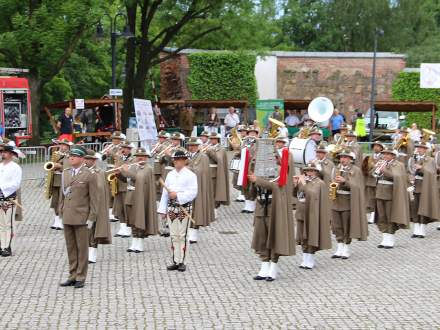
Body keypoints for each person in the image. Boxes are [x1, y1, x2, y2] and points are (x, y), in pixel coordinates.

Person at [248, 145, 295, 281]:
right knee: (261, 237)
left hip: (274, 207)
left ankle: (273, 266)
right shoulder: (258, 171)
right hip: (261, 206)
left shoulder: (280, 170)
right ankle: (264, 265)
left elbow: (277, 186)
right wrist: (250, 182)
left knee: (274, 237)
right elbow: (252, 193)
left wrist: (258, 180)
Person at [59, 146, 98, 289]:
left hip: (82, 216)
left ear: (82, 159)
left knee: (82, 248)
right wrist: (60, 211)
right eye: (70, 156)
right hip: (67, 215)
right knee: (71, 247)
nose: (71, 158)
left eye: (74, 156)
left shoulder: (89, 174)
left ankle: (81, 276)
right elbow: (62, 196)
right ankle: (72, 275)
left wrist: (92, 217)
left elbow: (94, 198)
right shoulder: (66, 173)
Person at [158, 149, 198, 272]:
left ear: (184, 160)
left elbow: (193, 192)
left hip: (183, 208)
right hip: (171, 208)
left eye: (179, 160)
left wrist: (178, 195)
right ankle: (176, 260)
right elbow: (165, 193)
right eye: (175, 160)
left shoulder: (191, 175)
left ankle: (183, 261)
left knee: (182, 235)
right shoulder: (170, 174)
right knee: (174, 235)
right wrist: (162, 210)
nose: (176, 162)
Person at [330, 149, 367, 259]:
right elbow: (331, 181)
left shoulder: (355, 170)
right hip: (336, 200)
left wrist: (344, 181)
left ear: (350, 159)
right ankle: (339, 246)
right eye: (341, 157)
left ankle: (346, 247)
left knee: (346, 225)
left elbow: (357, 186)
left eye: (345, 157)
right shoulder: (336, 168)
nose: (343, 159)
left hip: (347, 201)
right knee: (337, 226)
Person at [294, 162, 331, 269]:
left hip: (313, 213)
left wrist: (304, 184)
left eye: (311, 170)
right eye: (307, 170)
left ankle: (310, 259)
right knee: (302, 236)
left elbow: (313, 194)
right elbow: (295, 195)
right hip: (301, 211)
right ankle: (305, 258)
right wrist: (295, 185)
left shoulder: (319, 183)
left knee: (310, 235)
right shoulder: (303, 181)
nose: (309, 172)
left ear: (316, 172)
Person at [121, 148, 158, 253]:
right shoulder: (134, 167)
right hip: (130, 196)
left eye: (142, 156)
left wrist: (126, 172)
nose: (139, 157)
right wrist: (119, 173)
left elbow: (139, 178)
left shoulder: (148, 168)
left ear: (146, 158)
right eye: (137, 156)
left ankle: (140, 243)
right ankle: (134, 241)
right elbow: (127, 179)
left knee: (139, 219)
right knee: (132, 220)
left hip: (141, 198)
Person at [373, 146, 410, 248]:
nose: (385, 156)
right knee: (382, 216)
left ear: (393, 156)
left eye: (387, 154)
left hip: (390, 193)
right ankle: (384, 238)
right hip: (380, 192)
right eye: (384, 154)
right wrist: (377, 168)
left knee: (390, 217)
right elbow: (373, 175)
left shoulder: (398, 164)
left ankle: (390, 239)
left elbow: (396, 176)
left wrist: (385, 170)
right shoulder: (381, 163)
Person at [83, 150, 111, 264]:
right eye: (85, 159)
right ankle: (84, 253)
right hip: (83, 205)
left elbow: (100, 188)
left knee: (93, 230)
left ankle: (92, 254)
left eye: (88, 159)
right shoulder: (82, 171)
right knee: (83, 231)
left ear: (94, 161)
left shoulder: (99, 172)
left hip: (95, 205)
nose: (85, 161)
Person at [186, 137, 215, 243]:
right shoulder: (187, 155)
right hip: (186, 187)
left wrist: (188, 169)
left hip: (198, 187)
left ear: (198, 147)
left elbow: (201, 171)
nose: (191, 147)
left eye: (193, 146)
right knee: (187, 209)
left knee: (196, 210)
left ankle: (194, 233)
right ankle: (187, 231)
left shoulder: (203, 157)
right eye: (190, 145)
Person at [408, 141, 440, 238]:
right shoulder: (414, 158)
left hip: (424, 186)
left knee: (423, 208)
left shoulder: (430, 160)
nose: (419, 149)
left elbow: (431, 172)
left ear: (425, 150)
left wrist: (421, 168)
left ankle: (422, 229)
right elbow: (409, 170)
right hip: (415, 185)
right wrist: (411, 177)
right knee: (415, 207)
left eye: (421, 148)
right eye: (418, 148)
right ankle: (416, 229)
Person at [0, 145, 22, 257]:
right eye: (2, 152)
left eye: (5, 152)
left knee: (8, 223)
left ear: (11, 154)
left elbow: (16, 184)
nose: (3, 154)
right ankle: (1, 245)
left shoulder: (15, 167)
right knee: (0, 224)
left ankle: (7, 246)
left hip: (8, 198)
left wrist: (2, 189)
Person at [48, 139, 72, 230]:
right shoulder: (56, 154)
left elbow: (70, 167)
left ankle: (62, 220)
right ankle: (56, 220)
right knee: (55, 201)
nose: (62, 146)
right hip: (55, 179)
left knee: (62, 201)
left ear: (68, 146)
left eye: (64, 145)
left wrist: (60, 166)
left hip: (65, 179)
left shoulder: (70, 155)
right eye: (61, 145)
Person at [113, 142, 134, 238]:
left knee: (126, 208)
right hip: (118, 184)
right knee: (119, 207)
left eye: (126, 148)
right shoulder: (120, 158)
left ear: (130, 149)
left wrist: (119, 161)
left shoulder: (132, 159)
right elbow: (116, 169)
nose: (123, 150)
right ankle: (122, 227)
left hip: (126, 185)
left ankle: (128, 228)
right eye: (123, 148)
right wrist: (118, 158)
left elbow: (125, 170)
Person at [206, 132, 231, 210]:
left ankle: (214, 209)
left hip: (214, 173)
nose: (212, 140)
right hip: (206, 172)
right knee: (208, 191)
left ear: (217, 139)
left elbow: (218, 159)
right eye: (211, 139)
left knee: (213, 191)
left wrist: (209, 151)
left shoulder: (220, 148)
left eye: (214, 139)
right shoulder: (209, 146)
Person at [363, 142, 385, 224]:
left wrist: (374, 166)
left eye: (378, 146)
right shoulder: (369, 157)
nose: (376, 148)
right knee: (370, 199)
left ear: (381, 149)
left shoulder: (383, 158)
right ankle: (372, 216)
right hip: (369, 181)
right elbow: (365, 168)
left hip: (378, 181)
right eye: (375, 146)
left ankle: (377, 216)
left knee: (377, 199)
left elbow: (382, 169)